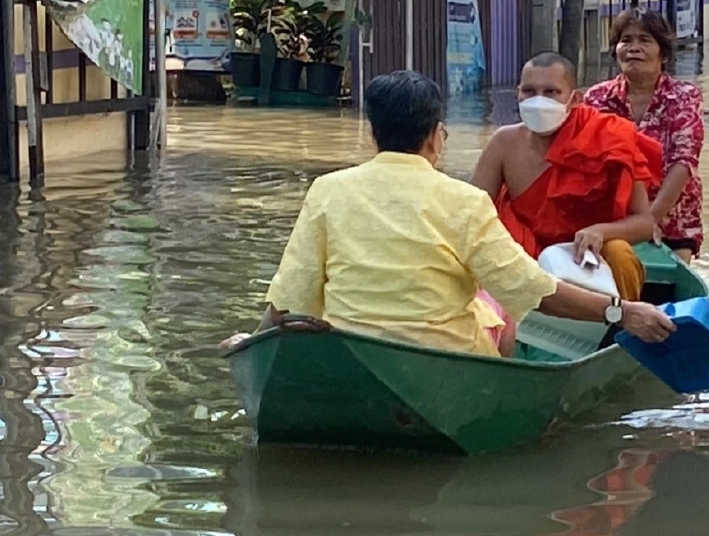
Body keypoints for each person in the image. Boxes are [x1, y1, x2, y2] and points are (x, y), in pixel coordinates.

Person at [232, 71, 674, 358]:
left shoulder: (327, 189)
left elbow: (293, 291)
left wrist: (250, 344)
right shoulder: (464, 200)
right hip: (447, 355)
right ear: (434, 137)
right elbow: (532, 289)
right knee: (500, 313)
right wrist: (623, 313)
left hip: (354, 349)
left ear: (373, 135)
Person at [472, 53, 661, 300]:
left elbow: (645, 223)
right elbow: (473, 213)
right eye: (529, 91)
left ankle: (624, 321)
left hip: (589, 254)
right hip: (524, 251)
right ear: (517, 93)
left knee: (619, 251)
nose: (538, 101)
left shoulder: (609, 137)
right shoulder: (504, 143)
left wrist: (601, 231)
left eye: (551, 92)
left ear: (575, 99)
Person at [584, 8, 705, 264]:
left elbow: (682, 164)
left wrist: (648, 221)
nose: (633, 48)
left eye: (645, 40)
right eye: (626, 40)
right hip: (612, 221)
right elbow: (586, 162)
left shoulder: (684, 97)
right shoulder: (597, 98)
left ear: (663, 53)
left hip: (671, 219)